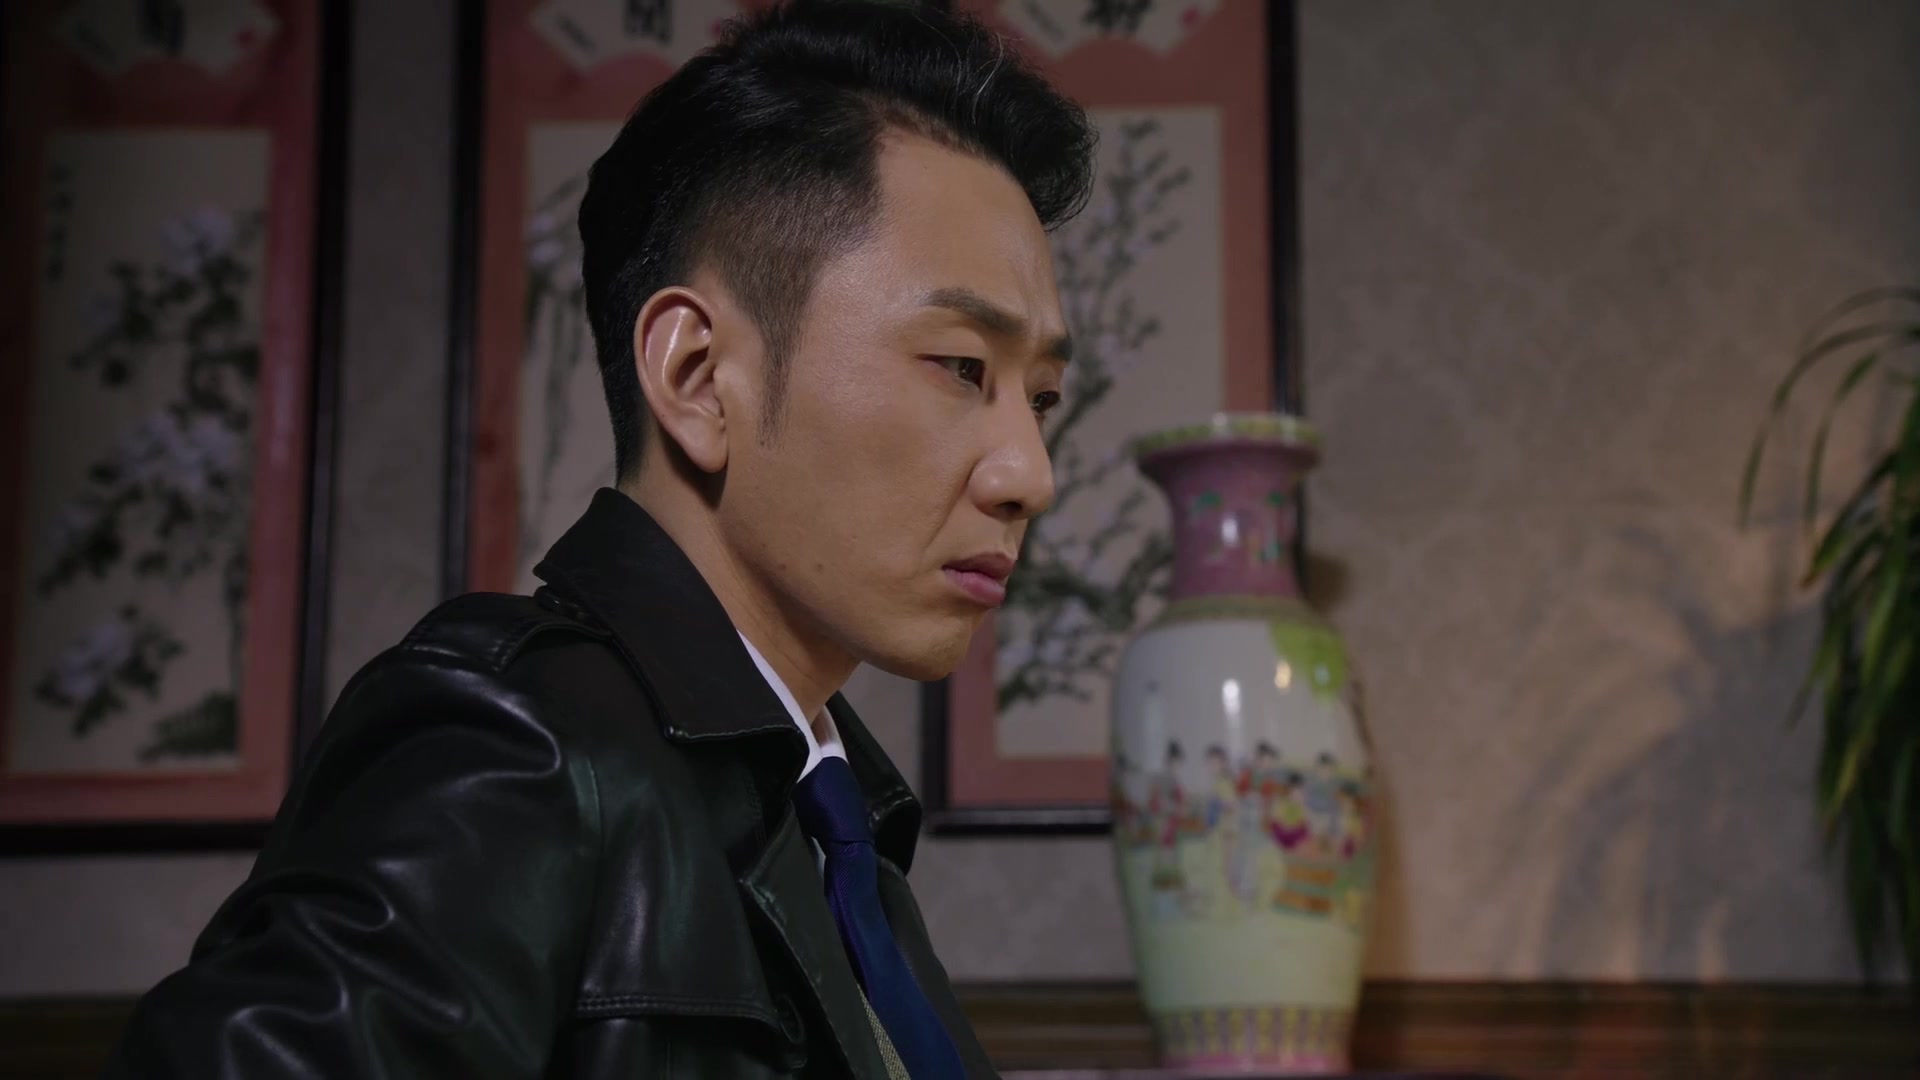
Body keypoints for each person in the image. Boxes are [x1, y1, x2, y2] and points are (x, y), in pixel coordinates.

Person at [105, 2, 1094, 1077]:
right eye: (962, 367)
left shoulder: (835, 822)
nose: (1030, 475)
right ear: (697, 376)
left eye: (1041, 397)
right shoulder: (518, 744)